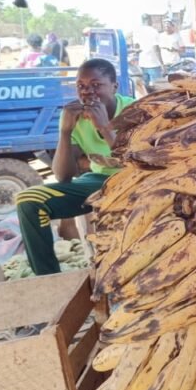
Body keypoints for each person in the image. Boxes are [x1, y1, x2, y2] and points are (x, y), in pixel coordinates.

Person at [16, 58, 132, 274]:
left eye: (96, 85)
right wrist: (65, 132)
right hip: (99, 182)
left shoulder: (134, 109)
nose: (88, 92)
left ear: (114, 87)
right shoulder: (76, 117)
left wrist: (105, 126)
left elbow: (140, 161)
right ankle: (48, 278)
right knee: (28, 201)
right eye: (81, 86)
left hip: (136, 180)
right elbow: (63, 177)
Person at [135, 14, 164, 85]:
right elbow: (156, 48)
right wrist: (162, 64)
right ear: (149, 20)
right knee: (158, 87)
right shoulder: (153, 31)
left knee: (145, 87)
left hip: (142, 63)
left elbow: (136, 47)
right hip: (153, 64)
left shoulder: (137, 32)